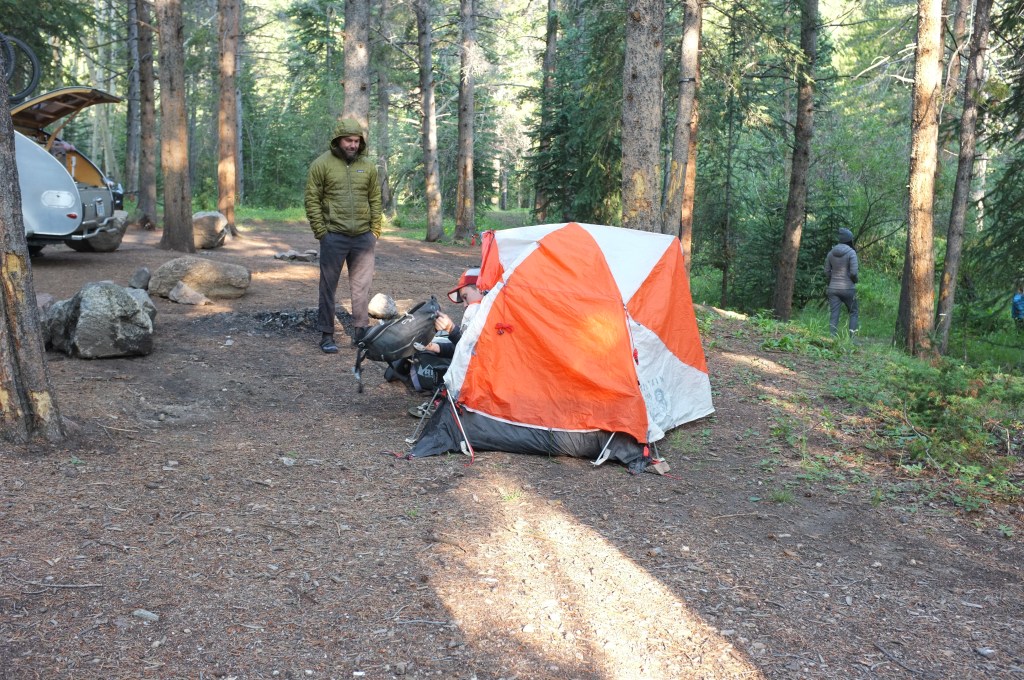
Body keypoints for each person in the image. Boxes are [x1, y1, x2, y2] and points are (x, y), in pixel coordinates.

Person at [304, 117, 382, 354]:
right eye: (349, 140)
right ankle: (327, 335)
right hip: (333, 236)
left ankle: (360, 333)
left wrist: (374, 231)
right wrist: (322, 232)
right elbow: (312, 199)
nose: (353, 145)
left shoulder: (368, 166)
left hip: (363, 238)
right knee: (328, 287)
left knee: (361, 287)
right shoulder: (321, 164)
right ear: (338, 140)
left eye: (357, 141)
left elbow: (375, 199)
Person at [384, 269, 484, 398]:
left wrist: (452, 330)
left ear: (481, 288)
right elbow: (465, 349)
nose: (465, 305)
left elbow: (476, 354)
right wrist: (435, 347)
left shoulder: (495, 319)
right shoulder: (480, 314)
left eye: (465, 297)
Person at [824, 227, 859, 337]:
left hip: (833, 288)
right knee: (853, 312)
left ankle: (831, 339)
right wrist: (855, 281)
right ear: (849, 239)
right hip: (848, 288)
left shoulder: (831, 253)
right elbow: (853, 273)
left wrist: (832, 282)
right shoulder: (851, 253)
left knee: (834, 314)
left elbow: (827, 272)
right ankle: (852, 339)